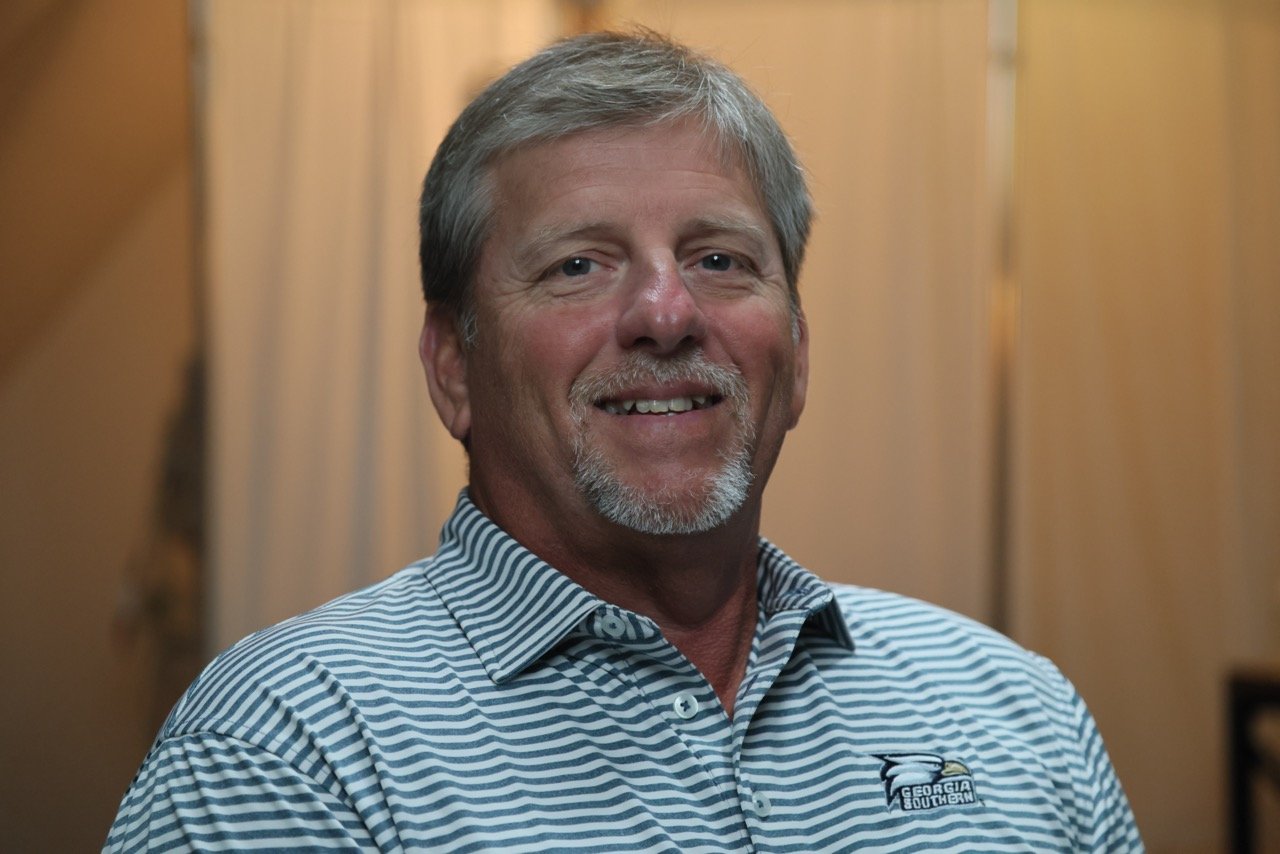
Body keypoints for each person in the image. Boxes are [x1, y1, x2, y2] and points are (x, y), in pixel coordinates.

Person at [107, 31, 1142, 852]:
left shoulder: (1016, 713)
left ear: (796, 350)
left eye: (721, 257)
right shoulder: (293, 751)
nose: (664, 310)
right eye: (577, 266)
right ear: (453, 366)